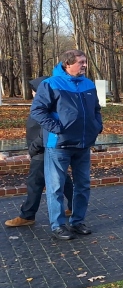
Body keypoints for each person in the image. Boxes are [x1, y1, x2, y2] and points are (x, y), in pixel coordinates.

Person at [30, 50, 103, 241]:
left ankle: (77, 222)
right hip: (58, 145)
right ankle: (58, 225)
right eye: (80, 62)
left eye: (85, 62)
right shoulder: (51, 84)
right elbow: (37, 110)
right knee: (56, 187)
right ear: (67, 64)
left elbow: (96, 109)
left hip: (83, 144)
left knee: (83, 185)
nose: (85, 65)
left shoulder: (88, 84)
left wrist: (97, 126)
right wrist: (56, 128)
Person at [5, 76, 74, 227]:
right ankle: (75, 206)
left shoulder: (47, 106)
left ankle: (27, 215)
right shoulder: (44, 104)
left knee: (35, 183)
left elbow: (47, 129)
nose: (33, 93)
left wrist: (34, 148)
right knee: (63, 179)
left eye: (34, 90)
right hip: (43, 149)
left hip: (42, 151)